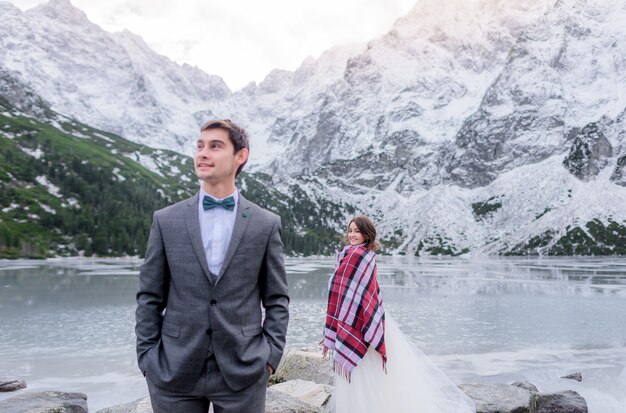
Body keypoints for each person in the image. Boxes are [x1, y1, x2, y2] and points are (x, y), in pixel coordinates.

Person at [135, 119, 289, 413]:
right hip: (173, 371)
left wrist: (269, 359)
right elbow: (149, 296)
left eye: (215, 146)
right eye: (200, 146)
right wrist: (148, 358)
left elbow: (277, 300)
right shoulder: (166, 220)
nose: (203, 153)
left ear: (240, 156)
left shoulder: (266, 224)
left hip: (243, 371)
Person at [323, 215, 475, 413]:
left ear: (366, 234)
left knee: (367, 371)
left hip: (361, 320)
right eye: (350, 230)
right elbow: (345, 288)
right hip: (358, 317)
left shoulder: (360, 256)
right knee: (364, 373)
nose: (352, 235)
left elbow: (364, 291)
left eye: (357, 231)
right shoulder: (347, 253)